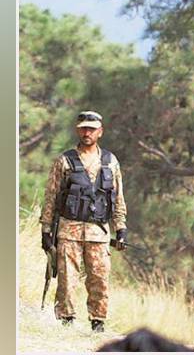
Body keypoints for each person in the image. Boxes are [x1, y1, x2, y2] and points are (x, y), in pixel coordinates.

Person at [39, 111, 128, 333]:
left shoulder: (110, 162)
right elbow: (51, 196)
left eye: (91, 129)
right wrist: (46, 230)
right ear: (78, 130)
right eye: (83, 128)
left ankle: (97, 323)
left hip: (99, 233)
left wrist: (121, 229)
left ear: (100, 132)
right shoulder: (65, 161)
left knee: (99, 279)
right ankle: (65, 322)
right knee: (67, 281)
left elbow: (118, 199)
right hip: (69, 231)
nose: (87, 132)